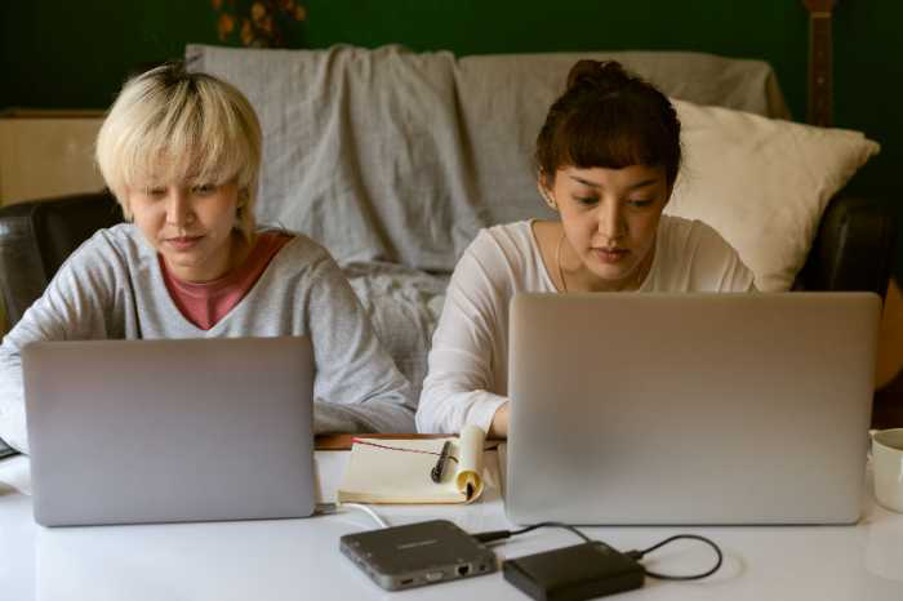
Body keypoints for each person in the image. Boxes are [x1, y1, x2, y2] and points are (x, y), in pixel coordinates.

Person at [0, 63, 414, 453]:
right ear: (126, 196)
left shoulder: (303, 273)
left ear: (241, 190)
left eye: (203, 188)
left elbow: (397, 413)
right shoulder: (109, 261)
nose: (178, 217)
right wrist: (94, 431)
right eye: (154, 191)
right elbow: (8, 372)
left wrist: (275, 419)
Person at [416, 60, 755, 437]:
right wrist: (536, 419)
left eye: (640, 201)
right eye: (586, 199)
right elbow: (436, 405)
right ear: (547, 186)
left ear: (668, 191)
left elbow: (771, 381)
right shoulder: (499, 259)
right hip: (545, 471)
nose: (612, 229)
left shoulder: (702, 254)